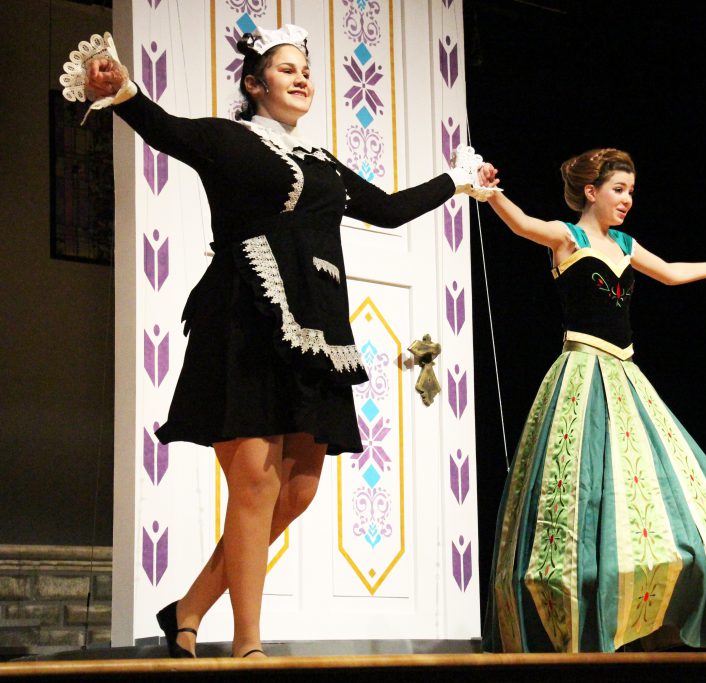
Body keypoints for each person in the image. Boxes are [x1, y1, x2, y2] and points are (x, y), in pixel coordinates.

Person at [61, 25, 496, 658]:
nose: (301, 78)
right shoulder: (227, 139)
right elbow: (167, 130)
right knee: (256, 485)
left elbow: (388, 208)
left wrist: (456, 183)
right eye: (286, 69)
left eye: (307, 70)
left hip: (317, 329)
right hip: (246, 315)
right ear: (255, 82)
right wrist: (121, 90)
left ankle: (186, 608)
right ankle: (247, 645)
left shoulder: (321, 162)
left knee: (297, 492)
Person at [480, 147, 706, 653]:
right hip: (581, 370)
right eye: (618, 189)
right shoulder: (569, 237)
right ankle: (578, 607)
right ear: (591, 192)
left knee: (661, 487)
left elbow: (672, 273)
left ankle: (650, 614)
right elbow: (523, 225)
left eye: (630, 191)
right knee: (581, 485)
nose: (627, 199)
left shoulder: (626, 244)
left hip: (626, 374)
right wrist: (489, 191)